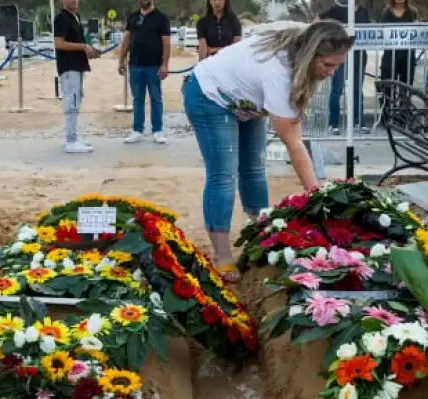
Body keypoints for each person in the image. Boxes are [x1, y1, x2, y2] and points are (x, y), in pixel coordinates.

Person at [183, 21, 353, 280]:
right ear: (310, 55)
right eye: (327, 65)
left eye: (338, 66)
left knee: (254, 169)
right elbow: (294, 144)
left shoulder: (300, 47)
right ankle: (222, 255)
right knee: (224, 175)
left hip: (245, 100)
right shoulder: (279, 73)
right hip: (210, 94)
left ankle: (261, 235)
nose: (332, 72)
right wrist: (318, 199)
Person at [118, 0, 171, 144]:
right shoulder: (133, 17)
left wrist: (165, 65)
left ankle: (157, 130)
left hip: (154, 66)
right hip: (135, 66)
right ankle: (137, 130)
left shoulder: (161, 18)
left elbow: (166, 43)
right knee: (137, 99)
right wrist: (121, 60)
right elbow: (126, 39)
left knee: (156, 98)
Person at [53, 0, 99, 154]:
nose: (74, 1)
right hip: (68, 66)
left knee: (76, 101)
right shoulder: (61, 18)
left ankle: (73, 136)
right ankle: (70, 140)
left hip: (77, 65)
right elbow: (59, 43)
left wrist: (89, 49)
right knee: (71, 102)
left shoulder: (75, 17)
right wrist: (83, 47)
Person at [319, 1, 369, 134]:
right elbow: (319, 20)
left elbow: (369, 32)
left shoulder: (363, 11)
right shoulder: (337, 9)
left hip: (359, 57)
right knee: (337, 90)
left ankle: (359, 122)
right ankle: (333, 123)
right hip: (339, 57)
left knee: (357, 91)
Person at [379, 0, 418, 84]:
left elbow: (416, 32)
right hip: (390, 55)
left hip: (407, 55)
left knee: (406, 87)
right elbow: (382, 32)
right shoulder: (386, 12)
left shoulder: (412, 12)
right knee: (388, 86)